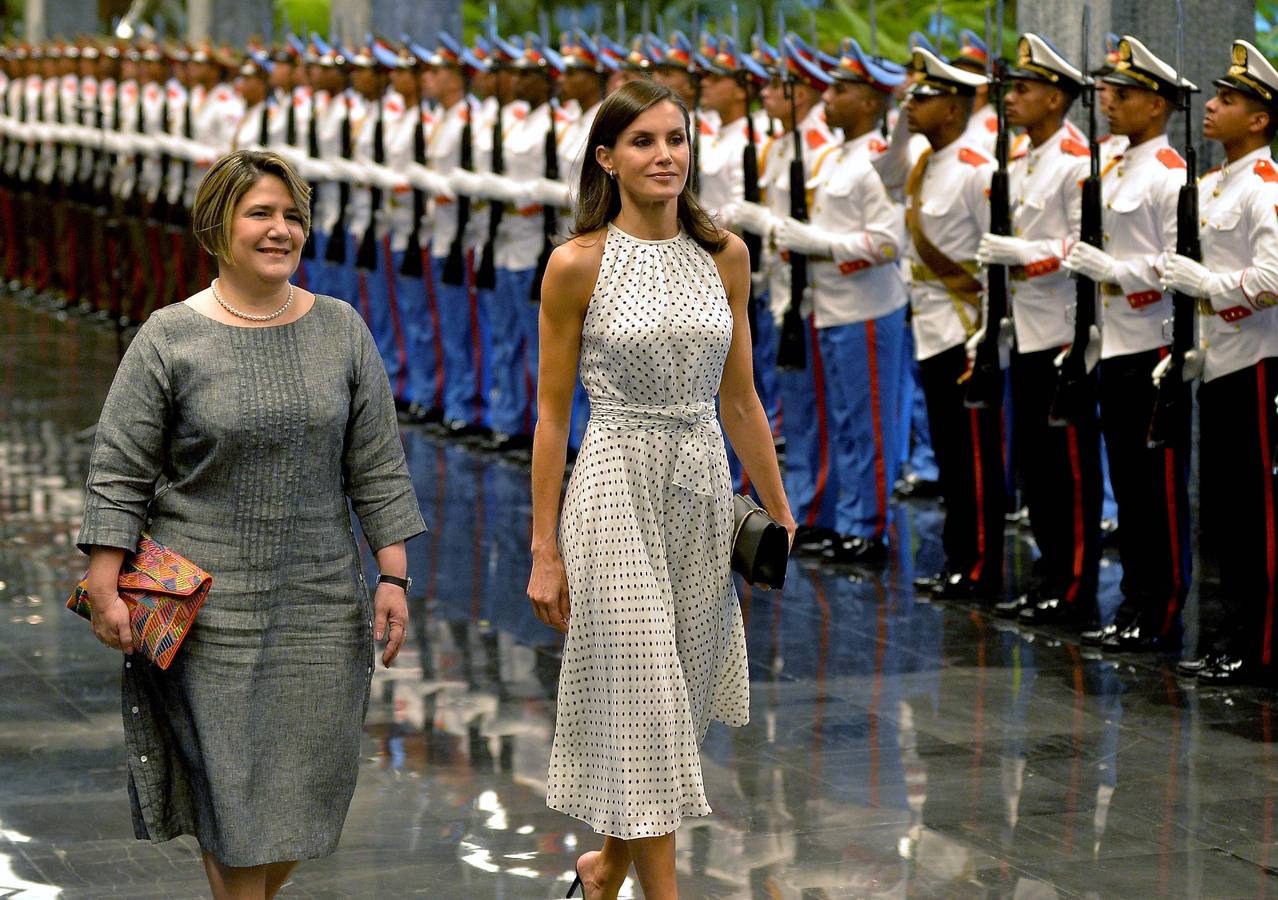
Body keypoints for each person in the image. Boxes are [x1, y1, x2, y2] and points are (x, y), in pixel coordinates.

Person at [75, 149, 426, 900]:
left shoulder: (341, 328)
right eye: (260, 214)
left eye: (292, 215)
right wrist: (104, 582)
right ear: (218, 226)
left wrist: (392, 573)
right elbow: (120, 468)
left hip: (321, 603)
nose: (280, 230)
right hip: (206, 611)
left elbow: (376, 464)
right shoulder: (170, 337)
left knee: (301, 791)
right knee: (235, 802)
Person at [526, 80, 793, 899]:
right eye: (642, 141)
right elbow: (549, 415)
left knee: (664, 696)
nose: (665, 155)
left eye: (675, 139)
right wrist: (544, 549)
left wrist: (779, 510)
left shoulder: (727, 256)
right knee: (645, 686)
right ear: (606, 158)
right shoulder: (576, 264)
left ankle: (606, 867)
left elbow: (740, 397)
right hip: (612, 481)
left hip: (701, 486)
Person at [1062, 35, 1190, 650]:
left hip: (1152, 345)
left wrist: (1118, 273)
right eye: (1110, 92)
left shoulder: (1170, 174)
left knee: (1154, 489)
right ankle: (1137, 600)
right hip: (1111, 343)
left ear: (1159, 106)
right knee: (1130, 488)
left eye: (1127, 94)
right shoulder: (1111, 166)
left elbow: (1179, 263)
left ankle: (1161, 609)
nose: (1109, 102)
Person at [976, 34, 1103, 628]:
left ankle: (1074, 584)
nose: (1011, 99)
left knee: (1068, 470)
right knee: (1037, 466)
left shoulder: (1078, 161)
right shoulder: (1024, 158)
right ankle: (1050, 576)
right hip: (1025, 329)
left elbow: (1086, 246)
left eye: (1024, 89)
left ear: (1056, 98)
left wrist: (1025, 252)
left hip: (1063, 331)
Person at [1162, 40, 1278, 683]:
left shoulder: (1265, 188)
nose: (1211, 107)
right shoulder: (1210, 185)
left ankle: (1258, 646)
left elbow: (1273, 276)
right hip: (1222, 359)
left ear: (1260, 119)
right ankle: (1233, 634)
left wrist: (1207, 287)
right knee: (1228, 513)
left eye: (1228, 101)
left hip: (1260, 361)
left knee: (1255, 512)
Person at [902, 47, 1005, 603]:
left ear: (955, 107)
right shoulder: (924, 164)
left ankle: (982, 564)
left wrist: (987, 336)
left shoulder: (976, 170)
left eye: (926, 97)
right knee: (948, 455)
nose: (912, 105)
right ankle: (959, 556)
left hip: (966, 332)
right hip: (932, 327)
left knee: (976, 461)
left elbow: (994, 263)